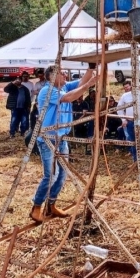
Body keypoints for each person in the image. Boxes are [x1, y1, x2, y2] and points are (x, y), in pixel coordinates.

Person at [29, 64, 96, 223]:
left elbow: (80, 84)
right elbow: (70, 97)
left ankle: (51, 205)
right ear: (52, 77)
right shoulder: (47, 91)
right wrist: (89, 84)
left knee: (62, 174)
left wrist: (91, 69)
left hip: (61, 138)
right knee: (51, 175)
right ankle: (36, 207)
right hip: (48, 139)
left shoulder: (63, 87)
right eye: (62, 73)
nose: (65, 76)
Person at [117, 80, 140, 167]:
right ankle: (135, 161)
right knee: (133, 142)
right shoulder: (125, 96)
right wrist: (123, 120)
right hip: (130, 122)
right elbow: (119, 108)